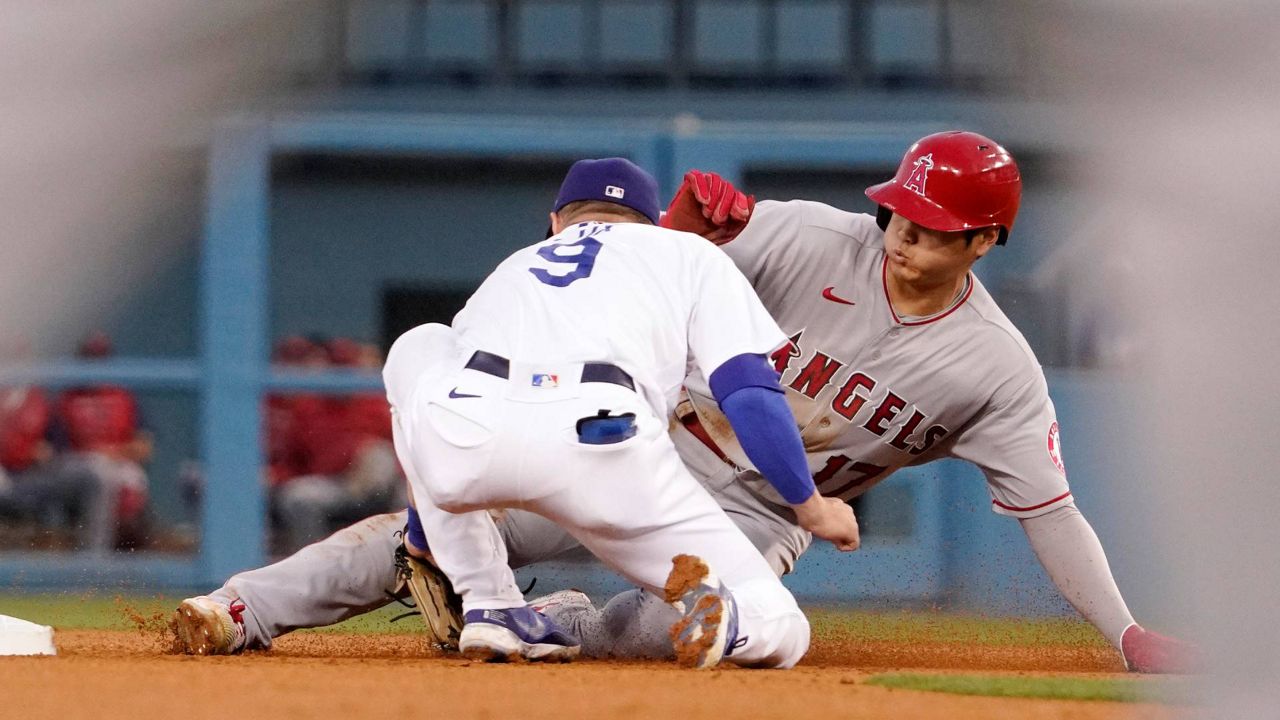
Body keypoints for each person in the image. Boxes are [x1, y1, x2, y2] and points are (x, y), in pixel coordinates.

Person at [170, 133, 1190, 673]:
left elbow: (1050, 514)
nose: (901, 236)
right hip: (631, 443)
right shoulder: (803, 235)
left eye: (932, 228)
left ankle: (564, 626)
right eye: (897, 213)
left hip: (745, 516)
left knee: (692, 631)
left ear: (983, 243)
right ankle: (243, 608)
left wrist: (1124, 632)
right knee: (426, 529)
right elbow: (632, 273)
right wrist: (685, 224)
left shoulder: (991, 369)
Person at [173, 157, 859, 669]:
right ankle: (734, 621)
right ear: (651, 224)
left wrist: (425, 526)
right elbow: (747, 387)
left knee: (421, 348)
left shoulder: (518, 266)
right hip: (604, 441)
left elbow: (424, 388)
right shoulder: (684, 254)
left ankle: (492, 605)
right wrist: (808, 504)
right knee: (781, 623)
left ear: (557, 221)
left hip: (467, 437)